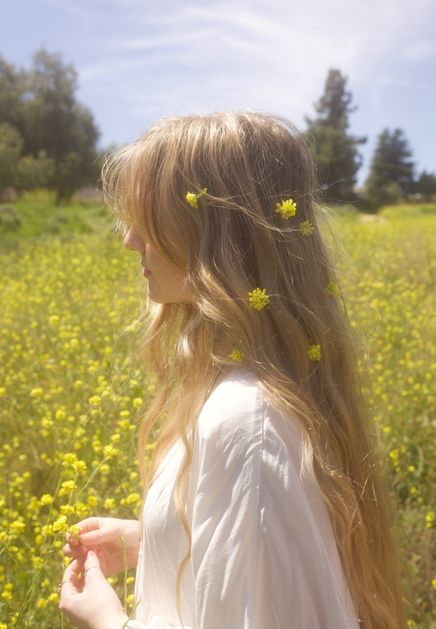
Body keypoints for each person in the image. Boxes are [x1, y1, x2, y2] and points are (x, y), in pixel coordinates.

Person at [59, 111, 407, 628]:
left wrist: (109, 621)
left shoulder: (247, 423)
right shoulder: (266, 398)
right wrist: (158, 540)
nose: (131, 240)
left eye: (150, 217)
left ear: (213, 233)